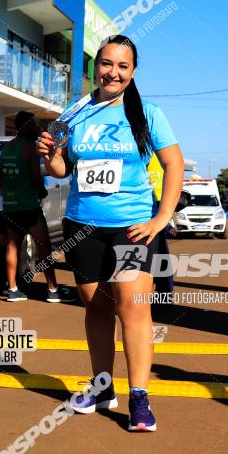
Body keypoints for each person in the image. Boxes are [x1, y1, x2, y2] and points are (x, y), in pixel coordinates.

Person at [37, 35, 184, 432]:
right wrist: (49, 152)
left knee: (133, 305)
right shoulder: (76, 113)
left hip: (131, 228)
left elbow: (174, 165)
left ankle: (139, 398)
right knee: (96, 307)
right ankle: (103, 388)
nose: (113, 72)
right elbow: (61, 171)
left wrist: (161, 217)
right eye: (106, 63)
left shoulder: (147, 114)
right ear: (95, 67)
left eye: (122, 66)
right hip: (82, 226)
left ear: (133, 72)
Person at [0, 111, 63, 303]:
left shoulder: (6, 148)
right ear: (25, 126)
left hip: (11, 207)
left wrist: (5, 186)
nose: (37, 128)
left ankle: (13, 289)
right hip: (29, 206)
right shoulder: (30, 146)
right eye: (33, 124)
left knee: (12, 246)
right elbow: (36, 177)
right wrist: (42, 191)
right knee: (44, 247)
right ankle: (52, 290)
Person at [147, 152, 174, 294]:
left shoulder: (146, 150)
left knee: (159, 249)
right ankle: (165, 289)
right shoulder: (157, 152)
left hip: (153, 202)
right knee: (160, 249)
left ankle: (165, 290)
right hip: (156, 201)